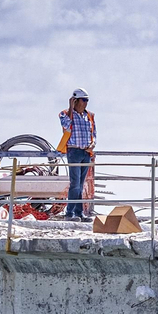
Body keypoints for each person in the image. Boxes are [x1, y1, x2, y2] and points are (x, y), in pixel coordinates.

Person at [58, 88, 96, 221]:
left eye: (87, 100)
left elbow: (93, 133)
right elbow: (66, 126)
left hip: (85, 152)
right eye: (83, 100)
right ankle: (69, 214)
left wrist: (93, 144)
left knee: (80, 184)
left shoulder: (89, 116)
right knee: (75, 183)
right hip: (74, 151)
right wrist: (70, 108)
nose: (85, 103)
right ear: (75, 101)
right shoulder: (65, 114)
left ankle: (79, 213)